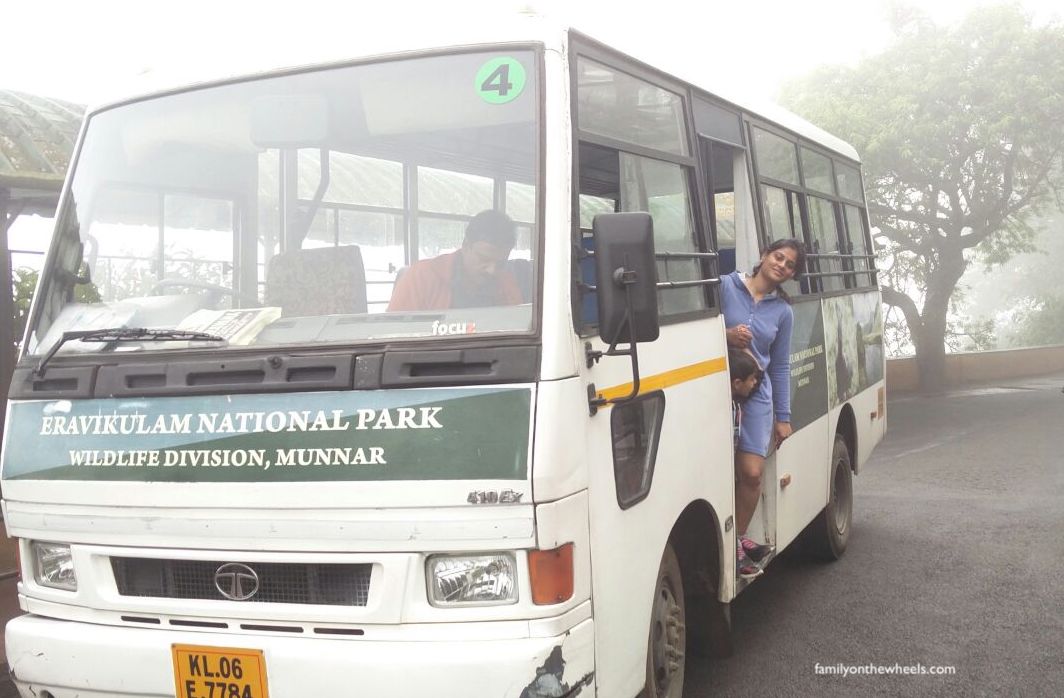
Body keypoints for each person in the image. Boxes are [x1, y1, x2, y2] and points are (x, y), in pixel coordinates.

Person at [721, 238, 806, 579]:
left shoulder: (783, 312)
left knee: (752, 474)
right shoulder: (726, 286)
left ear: (791, 275)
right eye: (778, 257)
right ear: (763, 255)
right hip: (717, 387)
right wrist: (727, 335)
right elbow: (692, 324)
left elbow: (781, 365)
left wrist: (782, 417)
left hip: (757, 393)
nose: (781, 265)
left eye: (789, 265)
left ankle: (737, 544)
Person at [387, 210, 524, 311]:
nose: (492, 270)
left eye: (501, 263)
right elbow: (393, 333)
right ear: (465, 245)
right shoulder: (422, 276)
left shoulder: (506, 282)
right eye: (484, 259)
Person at [728, 348, 762, 449]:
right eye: (752, 379)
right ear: (737, 383)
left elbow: (760, 376)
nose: (755, 382)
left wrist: (744, 348)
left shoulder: (740, 396)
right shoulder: (725, 406)